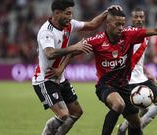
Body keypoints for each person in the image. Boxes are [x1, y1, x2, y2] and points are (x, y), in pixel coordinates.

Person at [49, 7, 157, 135]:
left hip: (124, 87)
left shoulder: (129, 35)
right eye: (117, 24)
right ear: (108, 24)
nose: (121, 27)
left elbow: (156, 30)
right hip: (105, 86)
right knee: (118, 105)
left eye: (123, 24)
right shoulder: (97, 40)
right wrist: (61, 68)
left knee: (135, 123)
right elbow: (73, 51)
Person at [32, 0, 119, 135]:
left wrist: (106, 12)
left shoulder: (68, 25)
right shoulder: (46, 32)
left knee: (76, 112)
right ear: (56, 13)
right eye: (67, 13)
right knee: (63, 115)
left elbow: (92, 25)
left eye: (71, 13)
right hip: (45, 79)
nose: (70, 17)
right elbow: (50, 53)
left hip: (59, 78)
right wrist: (75, 47)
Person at [117, 7, 157, 135]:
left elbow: (137, 59)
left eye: (141, 17)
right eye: (136, 17)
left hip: (142, 77)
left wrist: (147, 72)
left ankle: (125, 127)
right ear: (131, 18)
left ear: (144, 18)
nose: (139, 19)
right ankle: (134, 128)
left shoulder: (145, 35)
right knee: (141, 108)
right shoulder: (125, 33)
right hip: (129, 79)